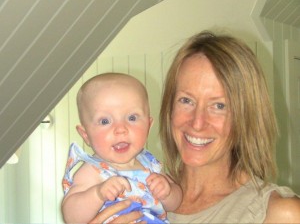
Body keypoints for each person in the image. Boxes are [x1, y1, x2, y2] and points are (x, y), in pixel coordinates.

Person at [89, 31, 300, 223]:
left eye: (219, 106)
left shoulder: (280, 214)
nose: (197, 122)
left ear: (247, 116)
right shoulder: (132, 193)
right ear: (169, 107)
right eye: (186, 101)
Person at [61, 73, 182, 224]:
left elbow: (175, 203)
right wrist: (98, 194)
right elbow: (72, 217)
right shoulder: (93, 171)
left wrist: (168, 192)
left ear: (148, 126)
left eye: (132, 118)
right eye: (105, 121)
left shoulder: (151, 164)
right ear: (86, 135)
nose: (121, 129)